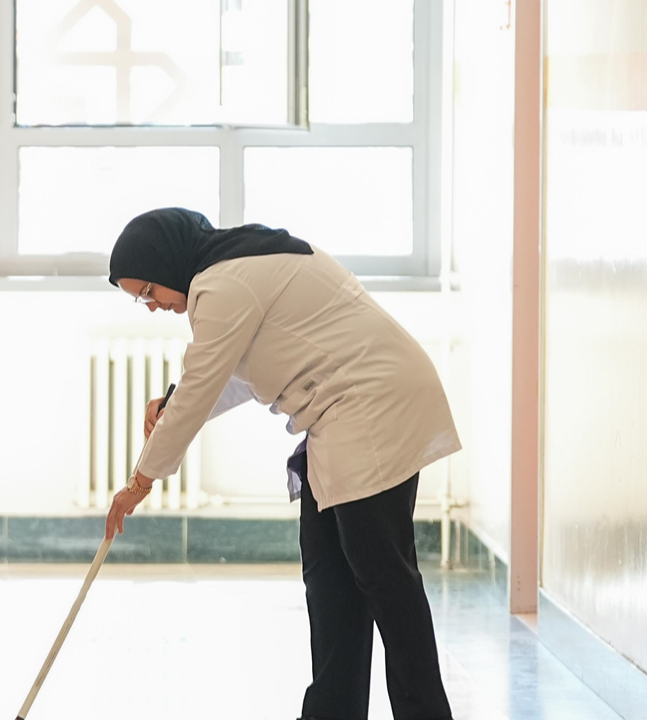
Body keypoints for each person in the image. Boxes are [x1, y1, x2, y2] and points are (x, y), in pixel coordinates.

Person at [103, 208, 461, 720]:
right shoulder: (232, 269)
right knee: (330, 581)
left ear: (165, 262)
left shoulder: (221, 284)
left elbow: (206, 378)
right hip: (344, 419)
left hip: (371, 407)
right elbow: (231, 375)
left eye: (147, 292)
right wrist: (174, 400)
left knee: (385, 582)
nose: (152, 305)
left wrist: (140, 482)